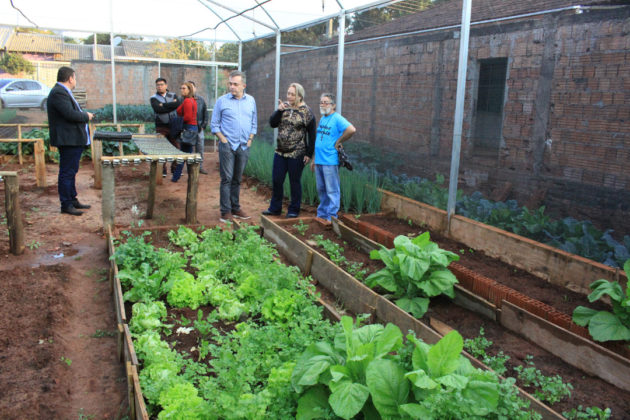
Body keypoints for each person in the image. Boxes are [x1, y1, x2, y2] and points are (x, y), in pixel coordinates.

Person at [263, 83, 316, 218]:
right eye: (288, 93)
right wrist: (279, 111)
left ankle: (293, 209)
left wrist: (309, 154)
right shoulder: (284, 108)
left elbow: (312, 134)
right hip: (280, 152)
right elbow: (272, 123)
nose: (289, 96)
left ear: (299, 96)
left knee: (294, 182)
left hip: (297, 153)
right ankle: (275, 208)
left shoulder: (307, 112)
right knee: (277, 180)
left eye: (292, 94)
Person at [210, 70, 257, 222]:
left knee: (237, 178)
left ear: (244, 85)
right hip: (227, 146)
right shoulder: (222, 101)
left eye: (235, 84)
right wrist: (223, 140)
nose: (232, 87)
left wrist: (250, 139)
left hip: (244, 145)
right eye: (230, 83)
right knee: (227, 179)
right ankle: (225, 212)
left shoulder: (251, 101)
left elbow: (254, 123)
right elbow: (214, 125)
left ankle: (235, 208)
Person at [47, 66, 94, 216]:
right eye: (75, 77)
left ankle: (72, 200)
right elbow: (69, 114)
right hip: (68, 140)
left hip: (72, 140)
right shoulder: (58, 92)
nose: (75, 80)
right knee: (67, 172)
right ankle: (66, 204)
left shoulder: (63, 92)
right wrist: (86, 116)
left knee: (71, 171)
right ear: (70, 78)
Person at [310, 93, 356, 221]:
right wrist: (314, 159)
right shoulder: (323, 118)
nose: (323, 104)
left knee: (332, 190)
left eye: (326, 102)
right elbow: (319, 140)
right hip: (319, 160)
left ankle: (331, 218)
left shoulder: (337, 118)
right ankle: (322, 215)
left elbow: (351, 129)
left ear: (333, 105)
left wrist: (339, 141)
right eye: (321, 102)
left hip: (330, 160)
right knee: (321, 190)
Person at [150, 77, 180, 176]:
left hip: (173, 126)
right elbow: (158, 109)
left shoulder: (173, 95)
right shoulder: (153, 98)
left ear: (166, 85)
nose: (159, 87)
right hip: (161, 126)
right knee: (161, 148)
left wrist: (164, 105)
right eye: (158, 85)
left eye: (161, 84)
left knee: (176, 147)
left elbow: (177, 104)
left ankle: (175, 168)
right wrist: (170, 105)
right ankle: (162, 170)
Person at [171, 82, 198, 183]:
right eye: (181, 88)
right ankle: (185, 176)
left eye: (184, 88)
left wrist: (177, 120)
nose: (182, 90)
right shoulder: (192, 100)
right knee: (186, 153)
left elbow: (187, 117)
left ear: (189, 90)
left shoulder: (187, 101)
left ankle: (178, 177)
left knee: (184, 154)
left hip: (188, 129)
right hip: (192, 128)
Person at [188, 81, 209, 174]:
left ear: (195, 88)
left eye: (192, 87)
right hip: (188, 129)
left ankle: (199, 167)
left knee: (200, 148)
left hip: (199, 128)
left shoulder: (201, 100)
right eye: (189, 87)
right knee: (189, 149)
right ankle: (190, 168)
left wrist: (203, 125)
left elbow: (206, 113)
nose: (191, 89)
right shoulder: (184, 100)